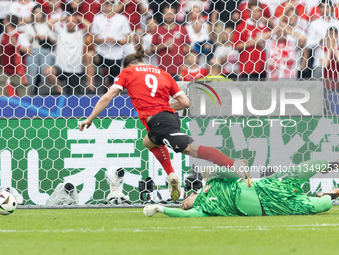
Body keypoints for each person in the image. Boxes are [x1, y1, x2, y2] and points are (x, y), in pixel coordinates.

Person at [79, 45, 252, 201]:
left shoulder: (128, 72)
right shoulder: (163, 74)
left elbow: (108, 96)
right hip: (166, 118)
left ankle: (235, 165)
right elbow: (184, 102)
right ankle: (171, 175)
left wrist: (90, 118)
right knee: (148, 141)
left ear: (127, 66)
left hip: (160, 121)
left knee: (193, 149)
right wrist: (163, 105)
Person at [144, 157, 337, 217]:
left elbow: (225, 172)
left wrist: (236, 171)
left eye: (183, 201)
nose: (183, 204)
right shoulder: (202, 210)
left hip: (270, 186)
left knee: (318, 163)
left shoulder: (211, 182)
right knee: (325, 205)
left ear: (191, 193)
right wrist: (160, 208)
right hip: (270, 208)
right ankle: (328, 194)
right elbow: (183, 215)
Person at [45, 14, 90, 95]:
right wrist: (62, 17)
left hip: (75, 70)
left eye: (73, 21)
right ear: (65, 23)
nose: (70, 23)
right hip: (61, 67)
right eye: (68, 21)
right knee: (48, 71)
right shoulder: (60, 32)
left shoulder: (80, 33)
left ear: (77, 23)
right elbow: (48, 22)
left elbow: (89, 26)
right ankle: (61, 92)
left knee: (74, 96)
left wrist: (79, 17)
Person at [232, 1, 271, 81]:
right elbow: (235, 46)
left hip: (263, 69)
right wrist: (254, 42)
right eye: (253, 11)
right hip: (247, 69)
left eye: (257, 11)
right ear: (249, 12)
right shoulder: (241, 26)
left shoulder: (264, 27)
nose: (255, 13)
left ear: (261, 12)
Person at [151, 4, 191, 80]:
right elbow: (152, 49)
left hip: (180, 70)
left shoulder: (182, 29)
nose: (169, 16)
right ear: (162, 16)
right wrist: (162, 46)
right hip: (162, 70)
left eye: (171, 14)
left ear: (175, 16)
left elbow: (188, 48)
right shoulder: (158, 30)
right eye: (167, 14)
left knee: (179, 91)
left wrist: (186, 63)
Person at [25, 5, 57, 95]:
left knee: (45, 73)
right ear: (32, 14)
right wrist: (33, 37)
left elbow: (54, 40)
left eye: (40, 12)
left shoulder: (46, 25)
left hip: (45, 51)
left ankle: (45, 94)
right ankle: (31, 94)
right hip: (33, 51)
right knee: (31, 74)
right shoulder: (28, 27)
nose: (38, 15)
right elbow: (25, 42)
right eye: (36, 12)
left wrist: (46, 37)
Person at [0, 14, 31, 96]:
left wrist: (17, 44)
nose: (2, 21)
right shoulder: (2, 35)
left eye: (4, 20)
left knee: (23, 95)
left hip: (17, 70)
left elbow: (30, 51)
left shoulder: (20, 35)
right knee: (1, 91)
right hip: (5, 70)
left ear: (8, 22)